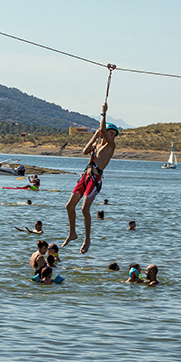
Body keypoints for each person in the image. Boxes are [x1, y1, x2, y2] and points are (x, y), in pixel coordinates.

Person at [63, 102, 118, 254]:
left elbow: (103, 129)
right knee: (69, 206)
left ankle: (87, 240)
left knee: (84, 209)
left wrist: (103, 113)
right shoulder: (97, 146)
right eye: (110, 133)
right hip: (85, 176)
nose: (111, 136)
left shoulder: (111, 146)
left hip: (95, 180)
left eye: (113, 134)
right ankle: (72, 233)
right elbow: (85, 151)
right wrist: (96, 135)